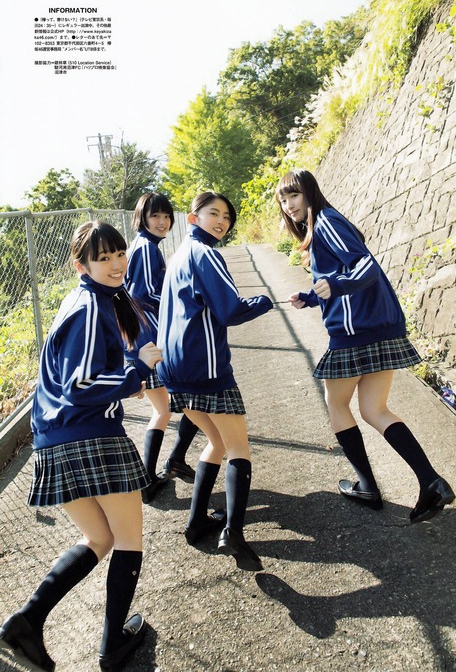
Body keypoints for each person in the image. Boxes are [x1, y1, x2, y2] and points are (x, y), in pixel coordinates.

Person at [0, 221, 162, 672]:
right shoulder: (90, 307)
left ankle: (27, 622)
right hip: (90, 437)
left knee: (99, 538)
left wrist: (128, 380)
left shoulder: (91, 301)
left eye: (119, 254)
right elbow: (80, 385)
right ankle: (112, 645)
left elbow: (79, 382)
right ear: (81, 265)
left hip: (56, 439)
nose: (115, 264)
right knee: (128, 541)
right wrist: (136, 371)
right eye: (103, 258)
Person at [276, 169, 455, 524]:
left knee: (336, 403)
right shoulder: (324, 223)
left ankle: (368, 486)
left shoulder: (325, 221)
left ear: (309, 192)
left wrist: (336, 286)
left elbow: (364, 266)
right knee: (374, 409)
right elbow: (340, 276)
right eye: (283, 200)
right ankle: (431, 481)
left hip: (356, 332)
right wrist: (312, 296)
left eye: (293, 195)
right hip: (379, 327)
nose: (289, 204)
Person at [156, 191, 273, 571]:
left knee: (217, 441)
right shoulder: (206, 254)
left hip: (173, 368)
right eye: (214, 214)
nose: (222, 221)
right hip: (205, 368)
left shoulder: (178, 256)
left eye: (227, 217)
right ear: (193, 218)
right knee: (239, 448)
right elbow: (230, 311)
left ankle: (195, 523)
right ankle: (234, 532)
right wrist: (264, 301)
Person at [125, 192, 198, 504]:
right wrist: (185, 301)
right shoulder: (145, 248)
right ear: (142, 217)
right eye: (155, 216)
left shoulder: (144, 246)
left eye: (167, 216)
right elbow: (144, 294)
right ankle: (170, 463)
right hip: (153, 340)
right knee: (197, 398)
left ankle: (152, 475)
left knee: (165, 409)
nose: (163, 222)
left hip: (143, 340)